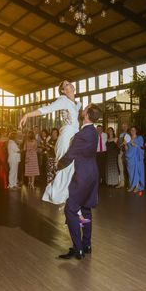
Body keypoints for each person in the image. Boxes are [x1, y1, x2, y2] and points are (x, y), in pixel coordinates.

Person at [19, 80, 82, 204]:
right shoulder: (63, 100)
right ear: (63, 91)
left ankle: (70, 201)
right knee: (66, 169)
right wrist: (27, 115)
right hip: (67, 137)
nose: (70, 84)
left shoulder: (77, 104)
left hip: (75, 136)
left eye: (69, 83)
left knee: (73, 170)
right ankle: (55, 194)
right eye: (66, 84)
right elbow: (46, 109)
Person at [57, 104, 102, 260]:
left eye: (85, 109)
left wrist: (57, 166)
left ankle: (78, 249)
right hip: (92, 174)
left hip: (82, 176)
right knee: (86, 208)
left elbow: (70, 155)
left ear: (87, 115)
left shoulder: (82, 134)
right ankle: (86, 244)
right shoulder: (94, 132)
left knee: (70, 210)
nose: (82, 109)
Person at [126, 126, 145, 195]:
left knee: (136, 171)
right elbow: (127, 147)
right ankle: (132, 186)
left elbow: (142, 147)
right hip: (129, 157)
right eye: (131, 130)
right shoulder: (128, 138)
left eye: (134, 130)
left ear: (136, 131)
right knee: (131, 172)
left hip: (136, 157)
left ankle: (137, 186)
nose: (132, 131)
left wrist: (135, 144)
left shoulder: (139, 138)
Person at [117, 122, 130, 189]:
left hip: (128, 153)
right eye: (123, 126)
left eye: (125, 126)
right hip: (121, 152)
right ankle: (122, 183)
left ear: (128, 126)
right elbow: (119, 144)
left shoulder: (130, 134)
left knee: (128, 169)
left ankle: (129, 184)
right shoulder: (121, 134)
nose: (124, 127)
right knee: (121, 168)